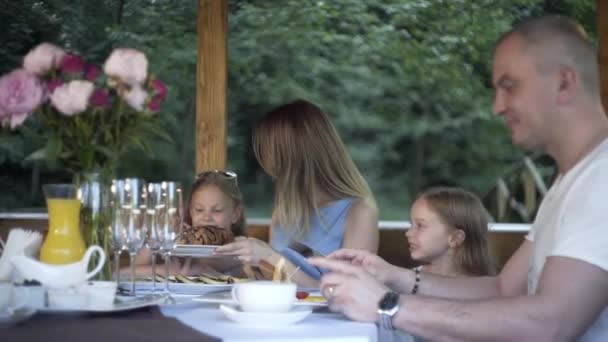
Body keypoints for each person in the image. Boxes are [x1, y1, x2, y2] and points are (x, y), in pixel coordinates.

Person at [309, 15, 608, 341]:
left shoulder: (601, 178)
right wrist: (395, 278)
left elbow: (552, 324)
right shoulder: (570, 181)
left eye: (509, 86)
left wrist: (387, 306)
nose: (497, 106)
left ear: (564, 83)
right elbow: (504, 288)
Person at [215, 99, 379, 286]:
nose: (266, 163)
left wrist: (270, 256)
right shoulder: (283, 213)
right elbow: (277, 284)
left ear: (291, 156)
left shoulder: (359, 212)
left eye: (270, 151)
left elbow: (352, 292)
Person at [128, 170, 245, 277]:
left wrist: (174, 266)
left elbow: (207, 262)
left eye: (217, 210)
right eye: (199, 209)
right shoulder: (181, 240)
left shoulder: (240, 246)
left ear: (235, 214)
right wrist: (158, 235)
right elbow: (123, 273)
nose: (207, 217)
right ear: (190, 211)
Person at [407, 187, 495, 277]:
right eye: (411, 225)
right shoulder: (407, 279)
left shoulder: (479, 287)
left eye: (420, 226)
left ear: (455, 238)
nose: (408, 233)